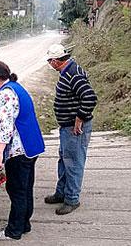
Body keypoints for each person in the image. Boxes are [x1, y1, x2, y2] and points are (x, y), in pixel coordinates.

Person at [0, 61, 45, 241]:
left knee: (16, 190)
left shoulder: (5, 94)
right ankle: (24, 224)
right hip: (31, 146)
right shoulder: (16, 87)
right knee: (26, 188)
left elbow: (6, 125)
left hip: (19, 150)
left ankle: (14, 231)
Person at [44, 43, 97, 215]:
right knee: (64, 160)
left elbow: (90, 97)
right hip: (66, 128)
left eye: (49, 61)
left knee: (73, 162)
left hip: (74, 130)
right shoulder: (67, 71)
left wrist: (79, 120)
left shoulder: (73, 74)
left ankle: (72, 199)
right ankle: (62, 192)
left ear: (55, 61)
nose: (50, 65)